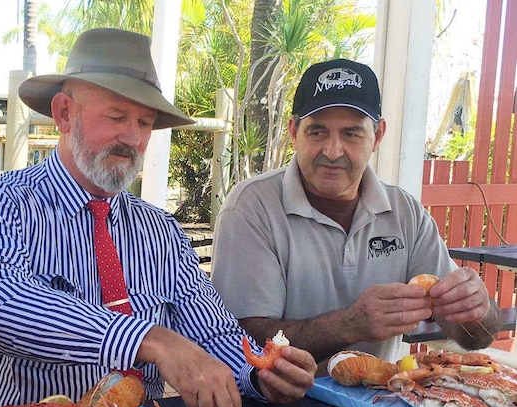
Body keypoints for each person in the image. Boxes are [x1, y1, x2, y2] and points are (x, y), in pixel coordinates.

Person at [0, 28, 317, 407]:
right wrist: (150, 340)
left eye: (145, 122)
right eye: (116, 117)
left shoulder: (162, 232)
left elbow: (213, 334)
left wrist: (259, 374)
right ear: (64, 113)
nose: (133, 138)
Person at [212, 58, 500, 368]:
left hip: (377, 402)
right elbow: (236, 340)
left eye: (351, 134)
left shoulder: (404, 213)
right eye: (317, 132)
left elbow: (474, 336)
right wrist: (349, 324)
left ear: (377, 136)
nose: (333, 151)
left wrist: (478, 310)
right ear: (294, 132)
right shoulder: (252, 207)